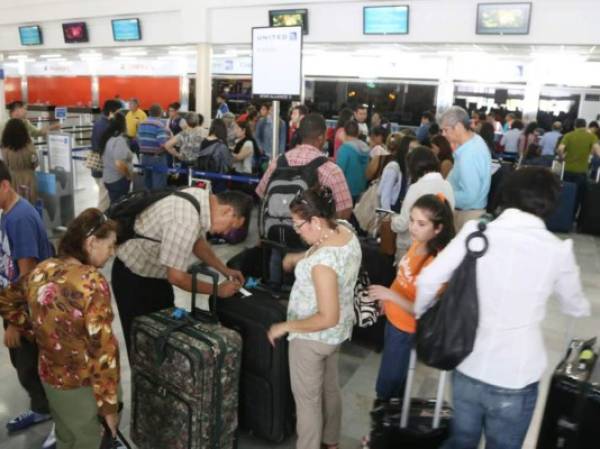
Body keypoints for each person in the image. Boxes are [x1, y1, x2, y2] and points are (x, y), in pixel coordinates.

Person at [415, 167, 591, 449]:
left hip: (468, 362)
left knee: (462, 441)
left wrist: (424, 317)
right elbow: (575, 305)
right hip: (517, 376)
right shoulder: (557, 250)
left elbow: (427, 281)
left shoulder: (476, 233)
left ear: (508, 194)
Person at [0, 208, 123, 449]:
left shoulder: (42, 269)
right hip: (82, 383)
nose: (111, 253)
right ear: (91, 242)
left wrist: (36, 328)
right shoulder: (91, 282)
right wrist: (109, 407)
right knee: (88, 440)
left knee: (66, 435)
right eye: (110, 246)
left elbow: (5, 300)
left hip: (50, 377)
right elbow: (102, 349)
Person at [267, 186, 362, 449]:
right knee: (330, 389)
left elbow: (326, 316)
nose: (296, 231)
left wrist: (285, 326)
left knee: (307, 403)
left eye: (299, 225)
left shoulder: (322, 264)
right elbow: (323, 244)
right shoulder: (344, 230)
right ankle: (331, 441)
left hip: (311, 338)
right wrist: (300, 257)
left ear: (316, 221)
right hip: (338, 333)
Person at [111, 189, 252, 354]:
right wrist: (217, 290)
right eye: (231, 227)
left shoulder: (199, 198)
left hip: (155, 276)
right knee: (142, 346)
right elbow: (177, 277)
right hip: (133, 278)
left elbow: (197, 242)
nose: (227, 234)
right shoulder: (185, 219)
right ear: (228, 211)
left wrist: (224, 269)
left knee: (162, 339)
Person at [369, 194, 454, 402]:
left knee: (388, 384)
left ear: (438, 228)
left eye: (421, 223)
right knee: (395, 379)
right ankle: (391, 422)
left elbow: (420, 309)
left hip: (405, 329)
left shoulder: (437, 265)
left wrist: (389, 295)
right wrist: (386, 300)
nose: (413, 228)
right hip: (394, 322)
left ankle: (382, 428)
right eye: (412, 220)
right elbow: (402, 279)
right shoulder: (419, 243)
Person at [0, 161, 56, 448]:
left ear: (5, 185)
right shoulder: (9, 212)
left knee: (28, 365)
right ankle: (43, 407)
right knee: (24, 363)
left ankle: (51, 413)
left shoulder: (19, 218)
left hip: (25, 309)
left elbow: (27, 275)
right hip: (14, 303)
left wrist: (13, 321)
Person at [256, 113, 353, 221]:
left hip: (276, 232)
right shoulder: (330, 169)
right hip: (312, 235)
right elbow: (344, 212)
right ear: (321, 137)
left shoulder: (278, 162)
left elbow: (261, 193)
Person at [390, 147, 455, 263]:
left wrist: (392, 219)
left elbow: (403, 223)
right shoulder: (447, 185)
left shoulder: (416, 188)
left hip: (413, 248)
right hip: (438, 248)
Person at [440, 106, 491, 231]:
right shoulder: (473, 142)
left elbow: (469, 196)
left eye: (445, 130)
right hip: (467, 212)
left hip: (467, 215)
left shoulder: (470, 154)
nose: (443, 134)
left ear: (458, 127)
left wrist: (442, 194)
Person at [558, 118, 600, 217]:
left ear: (574, 126)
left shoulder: (568, 135)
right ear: (585, 126)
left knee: (565, 194)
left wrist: (562, 157)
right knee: (577, 196)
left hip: (567, 170)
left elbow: (560, 149)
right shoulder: (592, 136)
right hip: (581, 172)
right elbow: (597, 151)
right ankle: (571, 218)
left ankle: (562, 216)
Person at [90, 100, 121, 211]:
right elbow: (105, 147)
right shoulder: (105, 125)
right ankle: (99, 224)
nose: (119, 114)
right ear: (111, 111)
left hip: (98, 165)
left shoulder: (99, 122)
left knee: (105, 197)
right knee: (104, 200)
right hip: (103, 166)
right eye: (118, 111)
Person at [0, 118, 39, 203]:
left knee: (14, 204)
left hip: (12, 178)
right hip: (28, 178)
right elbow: (35, 162)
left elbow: (5, 164)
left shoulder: (5, 147)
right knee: (29, 204)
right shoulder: (29, 146)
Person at [137, 104, 171, 191]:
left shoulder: (142, 123)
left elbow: (138, 139)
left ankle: (148, 202)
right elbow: (162, 143)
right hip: (157, 158)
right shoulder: (160, 124)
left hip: (144, 157)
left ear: (149, 112)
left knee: (147, 183)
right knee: (158, 186)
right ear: (160, 113)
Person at [100, 113, 133, 205]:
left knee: (114, 204)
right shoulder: (119, 141)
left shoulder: (107, 138)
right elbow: (119, 163)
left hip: (108, 178)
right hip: (118, 180)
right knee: (119, 207)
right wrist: (128, 175)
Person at [377, 134, 416, 212]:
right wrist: (387, 216)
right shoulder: (393, 167)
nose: (415, 151)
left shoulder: (409, 167)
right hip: (392, 209)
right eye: (412, 148)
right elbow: (385, 196)